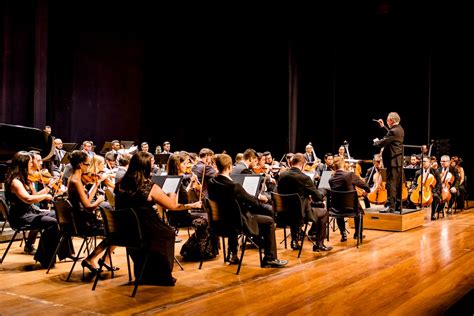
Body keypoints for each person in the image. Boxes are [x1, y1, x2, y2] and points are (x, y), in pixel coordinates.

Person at [115, 151, 201, 286]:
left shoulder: (120, 184)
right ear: (145, 167)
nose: (153, 166)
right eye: (152, 163)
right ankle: (161, 274)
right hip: (145, 229)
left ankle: (144, 272)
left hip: (126, 229)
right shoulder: (150, 187)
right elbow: (172, 205)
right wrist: (173, 189)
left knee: (161, 233)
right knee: (168, 233)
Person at [208, 154, 287, 268]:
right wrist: (259, 198)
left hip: (219, 222)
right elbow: (253, 202)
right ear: (230, 167)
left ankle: (233, 254)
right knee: (269, 221)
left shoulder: (211, 183)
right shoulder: (234, 186)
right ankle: (270, 258)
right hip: (236, 223)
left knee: (233, 213)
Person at [4, 151, 72, 268]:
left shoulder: (25, 179)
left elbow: (35, 196)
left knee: (59, 216)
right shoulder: (16, 182)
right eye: (30, 162)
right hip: (20, 216)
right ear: (23, 164)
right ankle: (44, 259)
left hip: (30, 211)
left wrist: (50, 187)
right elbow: (28, 199)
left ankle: (63, 252)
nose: (33, 164)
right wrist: (45, 196)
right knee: (52, 223)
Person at [67, 150, 116, 273]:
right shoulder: (76, 181)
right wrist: (99, 200)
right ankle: (92, 259)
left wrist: (97, 183)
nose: (89, 167)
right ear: (80, 165)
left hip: (82, 218)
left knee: (116, 230)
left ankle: (103, 259)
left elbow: (86, 199)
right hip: (83, 223)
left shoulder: (73, 178)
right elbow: (89, 206)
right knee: (116, 233)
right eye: (87, 164)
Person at [277, 153, 332, 252]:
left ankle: (294, 241)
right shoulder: (304, 178)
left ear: (291, 163)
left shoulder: (282, 176)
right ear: (303, 164)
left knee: (295, 206)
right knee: (324, 212)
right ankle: (319, 244)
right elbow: (318, 197)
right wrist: (323, 189)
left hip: (284, 213)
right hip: (301, 214)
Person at [329, 156, 370, 241]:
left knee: (338, 210)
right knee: (359, 211)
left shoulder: (331, 179)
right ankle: (358, 234)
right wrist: (366, 191)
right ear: (343, 164)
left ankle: (343, 234)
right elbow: (364, 185)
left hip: (336, 209)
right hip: (351, 208)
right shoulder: (350, 175)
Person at [373, 112, 405, 213]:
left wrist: (376, 142)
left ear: (391, 120)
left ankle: (390, 206)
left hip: (392, 161)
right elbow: (391, 135)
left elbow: (384, 141)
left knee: (391, 184)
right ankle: (398, 205)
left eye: (387, 120)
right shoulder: (399, 129)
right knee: (398, 183)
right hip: (398, 161)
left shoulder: (393, 131)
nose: (387, 121)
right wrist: (383, 127)